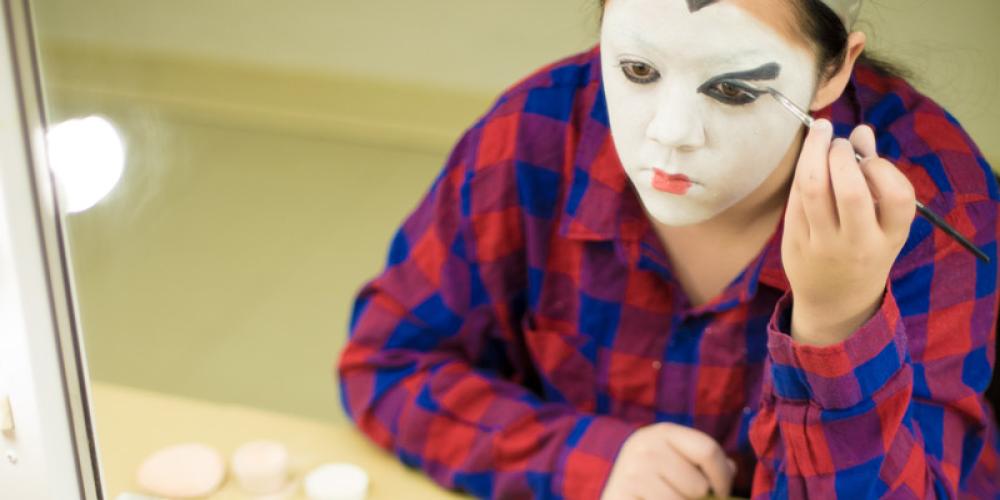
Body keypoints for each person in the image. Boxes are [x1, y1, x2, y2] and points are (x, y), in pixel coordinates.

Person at [337, 0, 1000, 497]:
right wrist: (589, 461)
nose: (671, 131)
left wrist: (838, 319)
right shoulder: (539, 133)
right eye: (638, 69)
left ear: (833, 73)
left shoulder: (936, 202)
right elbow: (388, 363)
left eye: (735, 89)